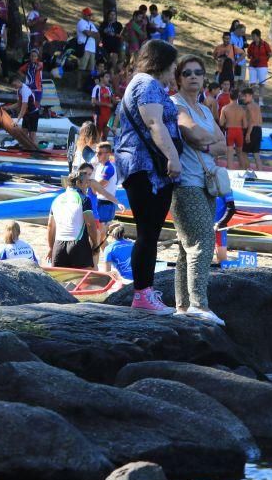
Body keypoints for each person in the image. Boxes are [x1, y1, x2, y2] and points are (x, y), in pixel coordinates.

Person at [114, 39, 182, 314]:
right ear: (161, 63)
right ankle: (142, 294)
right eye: (173, 65)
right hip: (145, 167)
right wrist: (173, 159)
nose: (175, 71)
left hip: (145, 168)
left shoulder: (144, 84)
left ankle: (145, 290)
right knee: (147, 232)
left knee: (149, 232)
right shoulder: (147, 85)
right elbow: (154, 123)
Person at [170, 54, 228, 323]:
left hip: (207, 185)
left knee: (186, 247)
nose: (193, 76)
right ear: (178, 78)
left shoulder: (205, 109)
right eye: (187, 73)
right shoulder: (175, 104)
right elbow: (191, 133)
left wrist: (206, 144)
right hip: (186, 183)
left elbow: (222, 142)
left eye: (198, 72)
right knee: (201, 242)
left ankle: (183, 306)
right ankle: (199, 306)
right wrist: (208, 142)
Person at [46, 170, 98, 269]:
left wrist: (50, 248)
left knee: (60, 282)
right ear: (78, 183)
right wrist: (95, 243)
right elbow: (90, 224)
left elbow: (50, 226)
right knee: (85, 281)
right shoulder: (84, 199)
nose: (87, 186)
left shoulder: (56, 200)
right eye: (86, 182)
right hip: (78, 245)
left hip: (59, 246)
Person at [219, 90, 249, 170]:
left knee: (230, 152)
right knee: (240, 152)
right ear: (238, 97)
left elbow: (221, 123)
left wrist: (227, 122)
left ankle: (230, 169)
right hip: (239, 131)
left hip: (230, 131)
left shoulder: (225, 108)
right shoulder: (242, 109)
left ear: (229, 97)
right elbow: (245, 125)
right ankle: (243, 169)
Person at [76, 8, 99, 91]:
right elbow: (87, 33)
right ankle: (79, 85)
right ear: (84, 14)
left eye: (90, 15)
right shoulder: (81, 22)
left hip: (92, 49)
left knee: (91, 69)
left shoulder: (91, 24)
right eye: (88, 15)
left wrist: (91, 33)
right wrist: (92, 33)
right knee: (82, 68)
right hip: (85, 48)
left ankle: (88, 85)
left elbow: (97, 35)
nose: (90, 16)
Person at [240, 87, 263, 171]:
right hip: (258, 130)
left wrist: (248, 134)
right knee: (256, 155)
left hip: (252, 130)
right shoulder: (257, 105)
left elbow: (252, 121)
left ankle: (247, 171)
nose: (243, 98)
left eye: (245, 96)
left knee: (243, 153)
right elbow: (259, 120)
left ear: (250, 96)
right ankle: (260, 173)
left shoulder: (249, 106)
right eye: (243, 96)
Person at [246, 29, 271, 103]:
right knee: (252, 83)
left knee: (261, 83)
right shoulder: (252, 45)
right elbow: (248, 54)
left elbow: (269, 54)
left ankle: (261, 100)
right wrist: (250, 57)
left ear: (258, 36)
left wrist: (264, 60)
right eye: (252, 36)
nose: (252, 38)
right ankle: (251, 99)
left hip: (262, 66)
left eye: (254, 36)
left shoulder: (265, 44)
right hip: (252, 66)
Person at [91, 72, 115, 141]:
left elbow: (114, 101)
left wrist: (110, 96)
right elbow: (93, 101)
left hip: (108, 115)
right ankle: (96, 150)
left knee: (105, 137)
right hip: (99, 114)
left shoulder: (109, 89)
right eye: (106, 77)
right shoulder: (96, 88)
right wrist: (106, 104)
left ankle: (104, 150)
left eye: (109, 77)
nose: (108, 79)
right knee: (97, 136)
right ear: (101, 78)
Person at [213, 192, 235, 264]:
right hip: (204, 225)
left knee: (222, 262)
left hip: (219, 227)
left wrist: (219, 224)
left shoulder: (226, 189)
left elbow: (231, 209)